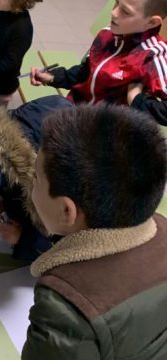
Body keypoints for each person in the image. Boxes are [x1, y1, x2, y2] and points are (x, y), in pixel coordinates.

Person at [22, 104, 167, 358]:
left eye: (37, 178)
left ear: (67, 211)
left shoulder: (65, 308)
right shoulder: (159, 225)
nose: (33, 186)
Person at [30, 0, 167, 124]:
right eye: (116, 2)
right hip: (74, 114)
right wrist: (53, 77)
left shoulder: (154, 55)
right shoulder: (107, 34)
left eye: (125, 11)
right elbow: (86, 72)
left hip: (103, 136)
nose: (113, 12)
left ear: (151, 22)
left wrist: (135, 99)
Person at [0, 95, 70, 260]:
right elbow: (1, 165)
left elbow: (66, 252)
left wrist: (22, 239)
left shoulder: (74, 197)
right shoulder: (20, 158)